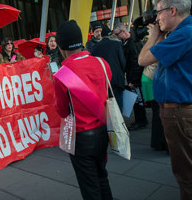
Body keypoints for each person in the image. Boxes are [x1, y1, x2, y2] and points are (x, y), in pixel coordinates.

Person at [138, 0, 192, 200]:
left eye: (159, 12)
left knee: (185, 172)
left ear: (172, 10)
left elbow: (143, 60)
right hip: (181, 110)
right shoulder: (189, 31)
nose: (156, 18)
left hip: (178, 112)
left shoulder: (184, 34)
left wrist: (154, 36)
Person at [53, 20, 113, 200]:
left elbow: (62, 111)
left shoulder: (62, 75)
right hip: (103, 130)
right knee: (102, 177)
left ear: (62, 48)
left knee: (89, 186)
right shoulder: (102, 63)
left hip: (81, 137)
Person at [113, 23, 148, 130]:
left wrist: (133, 80)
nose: (117, 37)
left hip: (135, 77)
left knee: (138, 100)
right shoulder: (127, 43)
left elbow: (136, 64)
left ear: (123, 32)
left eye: (117, 34)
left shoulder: (132, 44)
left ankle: (141, 120)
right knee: (136, 100)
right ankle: (140, 120)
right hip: (132, 76)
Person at [92, 24, 126, 112]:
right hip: (116, 79)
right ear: (110, 35)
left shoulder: (95, 47)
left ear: (101, 36)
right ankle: (119, 123)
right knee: (118, 103)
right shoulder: (117, 44)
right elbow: (123, 62)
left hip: (103, 80)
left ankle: (110, 123)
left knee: (106, 105)